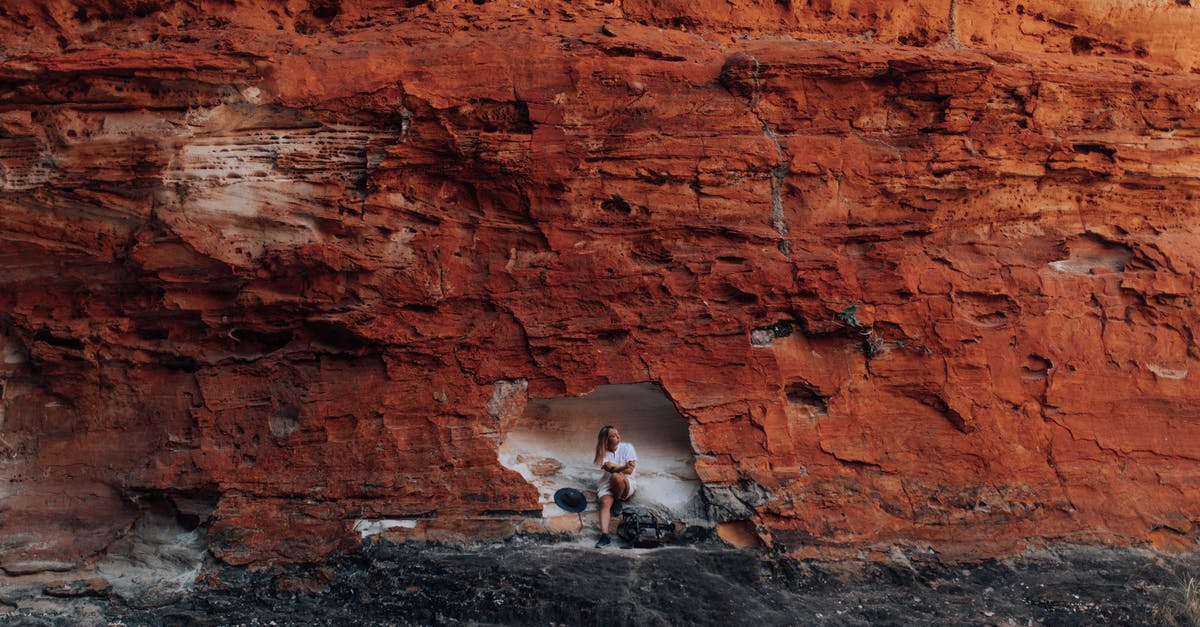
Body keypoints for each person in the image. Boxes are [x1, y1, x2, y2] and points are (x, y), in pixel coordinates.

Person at [593, 425, 636, 547]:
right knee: (605, 503)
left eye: (618, 434)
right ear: (606, 440)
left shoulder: (627, 448)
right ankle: (605, 535)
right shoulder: (602, 453)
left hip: (627, 481)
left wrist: (625, 468)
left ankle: (618, 499)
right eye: (613, 435)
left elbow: (629, 471)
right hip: (607, 483)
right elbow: (610, 468)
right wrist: (624, 466)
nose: (618, 437)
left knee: (617, 477)